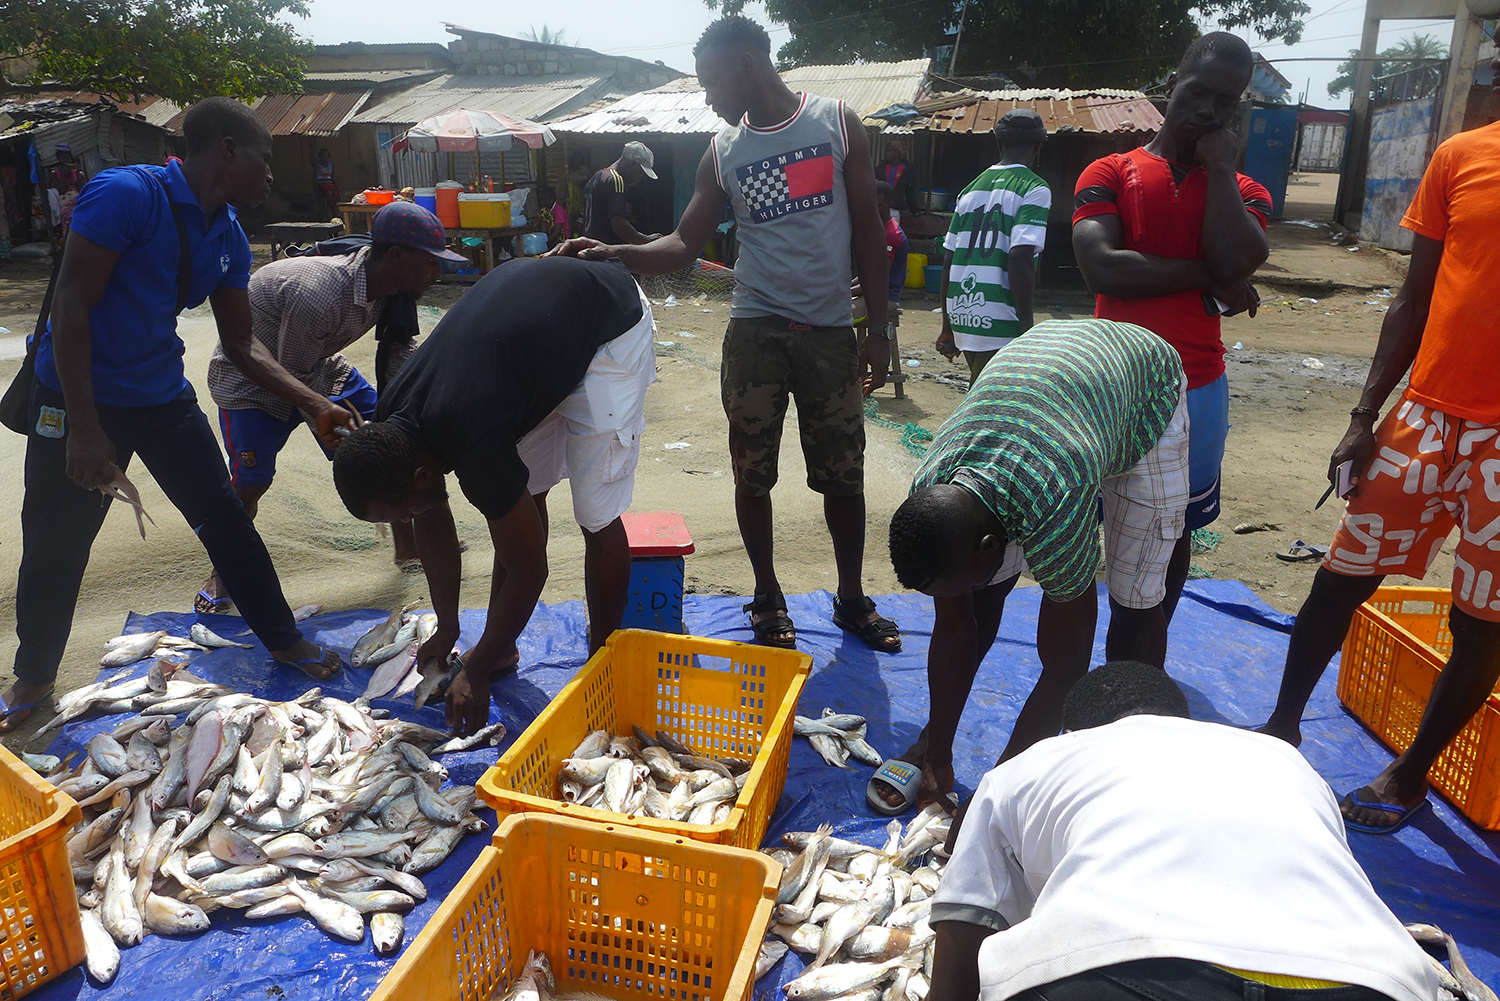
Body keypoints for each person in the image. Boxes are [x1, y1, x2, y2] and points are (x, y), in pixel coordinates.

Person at [552, 14, 899, 654]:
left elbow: (871, 233)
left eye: (712, 82)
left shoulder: (836, 122)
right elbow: (684, 244)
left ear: (745, 65)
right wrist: (608, 251)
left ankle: (851, 597)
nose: (707, 97)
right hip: (754, 333)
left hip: (828, 333)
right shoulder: (724, 151)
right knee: (752, 475)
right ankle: (766, 595)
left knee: (843, 477)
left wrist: (879, 328)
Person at [0, 98, 342, 732]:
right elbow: (72, 307)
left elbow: (241, 344)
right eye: (264, 160)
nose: (271, 174)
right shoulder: (127, 195)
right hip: (75, 397)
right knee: (56, 542)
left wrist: (314, 402)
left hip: (160, 395)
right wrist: (83, 426)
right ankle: (34, 678)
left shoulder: (230, 232)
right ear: (227, 152)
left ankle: (283, 639)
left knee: (226, 519)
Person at [1258, 93, 1500, 833]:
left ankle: (1408, 773)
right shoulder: (1462, 155)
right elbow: (1415, 295)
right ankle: (1282, 726)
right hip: (1425, 416)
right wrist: (1364, 415)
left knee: (1483, 622)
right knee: (1341, 577)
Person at [928, 661, 1440, 1001]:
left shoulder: (1031, 765)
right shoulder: (1284, 759)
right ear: (1184, 721)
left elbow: (960, 949)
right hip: (1372, 980)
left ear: (1077, 734)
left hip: (1113, 973)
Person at [330, 257, 656, 737]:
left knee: (596, 515)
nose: (411, 522)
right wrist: (447, 627)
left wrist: (475, 669)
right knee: (529, 494)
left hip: (609, 325)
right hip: (537, 337)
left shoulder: (472, 441)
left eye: (404, 513)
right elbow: (433, 517)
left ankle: (602, 663)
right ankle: (501, 645)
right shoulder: (398, 423)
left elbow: (531, 567)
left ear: (423, 476)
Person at [873, 318, 1188, 812]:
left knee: (1134, 596)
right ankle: (933, 740)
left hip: (1141, 385)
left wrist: (996, 797)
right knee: (978, 599)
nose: (961, 595)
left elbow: (1065, 667)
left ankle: (1131, 758)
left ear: (987, 543)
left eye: (970, 577)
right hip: (1052, 387)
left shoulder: (1053, 498)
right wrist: (937, 753)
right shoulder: (934, 485)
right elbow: (957, 632)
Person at [1072, 32, 1271, 626]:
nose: (1209, 111)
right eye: (1198, 92)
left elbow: (1238, 262)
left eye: (1226, 103)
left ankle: (1147, 638)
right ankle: (1083, 654)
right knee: (1092, 520)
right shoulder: (1110, 169)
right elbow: (1103, 268)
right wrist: (1206, 278)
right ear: (1170, 88)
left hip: (1199, 385)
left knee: (1175, 526)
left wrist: (1219, 167)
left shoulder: (1243, 190)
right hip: (1113, 381)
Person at [196, 200, 465, 611]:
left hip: (319, 369)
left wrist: (400, 419)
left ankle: (408, 548)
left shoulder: (393, 290)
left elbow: (396, 358)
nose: (438, 272)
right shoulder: (319, 293)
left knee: (393, 449)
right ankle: (224, 570)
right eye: (431, 262)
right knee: (252, 480)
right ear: (396, 255)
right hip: (251, 383)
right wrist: (345, 437)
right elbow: (290, 371)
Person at [935, 109, 1051, 383]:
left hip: (965, 314)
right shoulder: (1034, 188)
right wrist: (1027, 331)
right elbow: (1020, 258)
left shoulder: (970, 189)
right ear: (1038, 146)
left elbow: (949, 259)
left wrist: (947, 325)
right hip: (1000, 318)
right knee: (995, 409)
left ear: (998, 144)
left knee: (981, 397)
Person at [582, 142, 661, 245]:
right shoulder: (617, 181)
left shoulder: (596, 177)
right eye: (641, 172)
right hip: (604, 252)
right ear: (631, 164)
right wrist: (647, 240)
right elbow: (620, 227)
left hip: (588, 247)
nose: (640, 178)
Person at [877, 139, 919, 216]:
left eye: (890, 151)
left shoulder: (907, 169)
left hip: (896, 208)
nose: (887, 153)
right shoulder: (882, 168)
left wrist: (914, 210)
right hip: (881, 209)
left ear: (897, 153)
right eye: (887, 151)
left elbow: (909, 191)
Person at [313, 148, 339, 218]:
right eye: (323, 155)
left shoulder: (331, 165)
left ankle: (337, 212)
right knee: (329, 194)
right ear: (320, 156)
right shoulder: (317, 165)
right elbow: (315, 176)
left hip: (329, 184)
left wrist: (336, 187)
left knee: (336, 196)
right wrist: (315, 188)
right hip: (321, 184)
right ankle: (334, 213)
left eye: (326, 155)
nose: (324, 157)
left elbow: (332, 176)